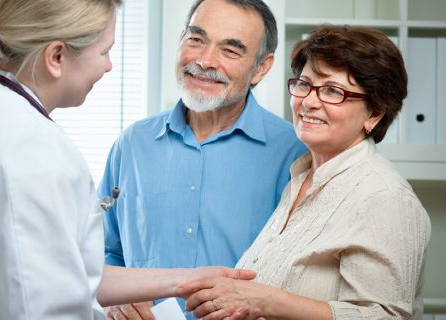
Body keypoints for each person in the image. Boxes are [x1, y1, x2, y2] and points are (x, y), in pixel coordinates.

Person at [0, 0, 258, 319]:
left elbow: (67, 272)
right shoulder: (31, 147)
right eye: (104, 51)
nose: (109, 66)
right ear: (56, 57)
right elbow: (43, 306)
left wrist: (185, 280)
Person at [179, 24, 431, 320]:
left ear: (375, 113)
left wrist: (267, 301)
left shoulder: (385, 197)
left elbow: (384, 316)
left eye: (333, 91)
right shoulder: (299, 177)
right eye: (304, 84)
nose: (309, 102)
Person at [98, 1, 307, 318]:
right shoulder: (131, 145)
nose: (205, 61)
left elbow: (305, 274)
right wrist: (118, 299)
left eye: (230, 51)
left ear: (261, 67)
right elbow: (105, 250)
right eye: (196, 39)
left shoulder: (296, 155)